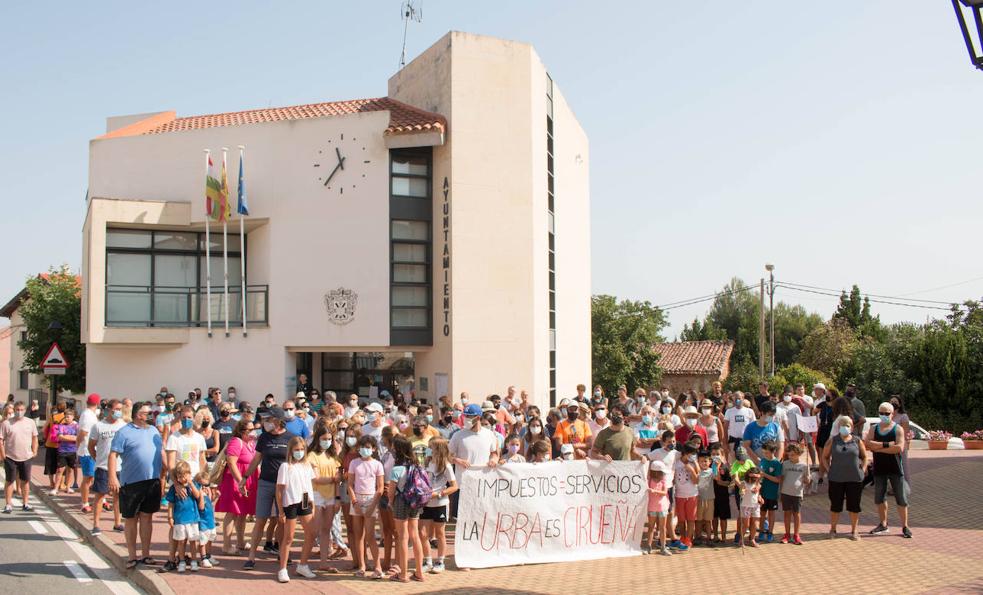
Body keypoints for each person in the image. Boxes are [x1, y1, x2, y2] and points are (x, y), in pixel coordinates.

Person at [110, 401, 165, 569]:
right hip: (131, 482)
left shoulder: (154, 430)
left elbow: (161, 453)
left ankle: (146, 554)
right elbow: (113, 455)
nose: (149, 415)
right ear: (137, 414)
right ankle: (132, 556)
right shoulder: (124, 432)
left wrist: (168, 473)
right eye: (146, 413)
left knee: (147, 518)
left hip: (152, 481)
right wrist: (112, 476)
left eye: (150, 413)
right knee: (131, 519)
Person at [241, 407, 296, 570]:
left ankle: (282, 553)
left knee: (282, 520)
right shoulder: (264, 437)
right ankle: (251, 556)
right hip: (265, 482)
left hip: (285, 485)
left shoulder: (291, 438)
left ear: (278, 421)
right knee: (260, 520)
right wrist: (245, 477)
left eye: (269, 420)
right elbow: (256, 459)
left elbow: (296, 461)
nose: (265, 423)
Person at [274, 437, 318, 582]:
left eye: (301, 449)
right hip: (290, 503)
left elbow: (309, 486)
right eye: (296, 450)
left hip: (305, 501)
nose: (299, 452)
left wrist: (313, 504)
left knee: (311, 533)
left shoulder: (307, 466)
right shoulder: (285, 467)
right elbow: (279, 491)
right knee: (289, 537)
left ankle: (303, 565)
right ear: (291, 451)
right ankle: (282, 568)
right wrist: (281, 511)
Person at [866, 402, 911, 538]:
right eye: (881, 413)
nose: (884, 415)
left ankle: (905, 527)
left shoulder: (898, 429)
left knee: (901, 499)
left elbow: (899, 448)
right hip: (879, 468)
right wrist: (887, 445)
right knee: (879, 498)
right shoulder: (874, 428)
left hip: (895, 468)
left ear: (893, 414)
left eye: (887, 413)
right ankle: (883, 524)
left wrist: (878, 447)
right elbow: (867, 444)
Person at [821, 415, 867, 540]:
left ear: (852, 427)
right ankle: (833, 529)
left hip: (854, 478)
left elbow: (864, 456)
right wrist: (828, 469)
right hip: (836, 478)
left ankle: (854, 531)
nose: (844, 427)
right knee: (835, 505)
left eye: (847, 425)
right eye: (842, 425)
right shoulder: (833, 440)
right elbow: (824, 456)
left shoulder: (857, 440)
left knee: (854, 506)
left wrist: (863, 469)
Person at [387, 434, 425, 583]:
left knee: (403, 537)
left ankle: (403, 574)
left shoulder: (397, 469)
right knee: (415, 536)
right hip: (415, 501)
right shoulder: (417, 466)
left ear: (397, 450)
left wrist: (390, 502)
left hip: (401, 502)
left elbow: (391, 492)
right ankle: (419, 572)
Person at [217, 418, 258, 554]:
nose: (253, 432)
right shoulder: (236, 441)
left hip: (248, 479)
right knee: (232, 512)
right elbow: (231, 462)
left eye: (254, 429)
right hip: (234, 480)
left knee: (243, 512)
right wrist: (240, 481)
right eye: (250, 430)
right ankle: (227, 545)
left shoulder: (251, 443)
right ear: (241, 431)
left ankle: (240, 542)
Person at [306, 422, 342, 572]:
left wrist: (338, 498)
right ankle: (303, 561)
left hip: (331, 496)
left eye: (329, 439)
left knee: (326, 529)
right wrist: (333, 479)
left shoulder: (333, 456)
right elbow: (316, 478)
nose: (327, 441)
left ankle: (323, 562)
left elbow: (338, 479)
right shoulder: (312, 455)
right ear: (318, 439)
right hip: (317, 495)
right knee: (313, 530)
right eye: (324, 438)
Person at [348, 435, 385, 579]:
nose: (365, 450)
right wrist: (354, 502)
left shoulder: (377, 464)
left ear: (374, 449)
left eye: (368, 447)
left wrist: (372, 505)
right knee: (358, 536)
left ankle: (378, 566)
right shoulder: (354, 463)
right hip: (357, 498)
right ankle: (362, 565)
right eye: (362, 447)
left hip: (371, 498)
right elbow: (350, 485)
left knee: (370, 536)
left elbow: (380, 487)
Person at [419, 437, 456, 573]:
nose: (428, 449)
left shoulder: (446, 466)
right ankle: (427, 560)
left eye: (431, 447)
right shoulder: (426, 462)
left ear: (438, 449)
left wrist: (439, 494)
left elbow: (454, 486)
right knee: (422, 533)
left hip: (440, 503)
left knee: (440, 533)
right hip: (425, 503)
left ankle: (440, 561)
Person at [88, 399, 126, 534]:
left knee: (118, 496)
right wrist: (97, 459)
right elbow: (91, 446)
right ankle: (96, 525)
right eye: (117, 409)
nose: (119, 412)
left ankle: (117, 523)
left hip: (120, 467)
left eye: (121, 409)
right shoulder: (98, 426)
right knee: (100, 495)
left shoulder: (123, 426)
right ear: (109, 410)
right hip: (103, 467)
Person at [0, 401, 38, 513]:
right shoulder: (7, 423)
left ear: (25, 411)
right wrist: (3, 455)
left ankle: (25, 503)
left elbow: (35, 437)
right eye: (17, 410)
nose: (19, 412)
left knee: (25, 481)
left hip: (26, 456)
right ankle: (8, 504)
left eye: (21, 410)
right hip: (10, 456)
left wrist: (34, 451)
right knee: (10, 480)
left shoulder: (30, 422)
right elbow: (1, 440)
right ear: (14, 410)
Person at [165, 461, 202, 573]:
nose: (183, 479)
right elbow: (171, 504)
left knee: (193, 541)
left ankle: (194, 561)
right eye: (180, 476)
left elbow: (198, 496)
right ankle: (181, 560)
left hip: (192, 519)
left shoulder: (193, 485)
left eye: (185, 475)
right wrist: (170, 517)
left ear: (189, 474)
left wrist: (190, 484)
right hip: (180, 519)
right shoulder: (174, 489)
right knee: (181, 541)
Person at [779, 442, 810, 545]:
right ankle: (787, 535)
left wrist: (807, 479)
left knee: (796, 514)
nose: (790, 457)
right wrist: (779, 492)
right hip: (785, 492)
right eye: (789, 455)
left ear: (798, 453)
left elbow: (807, 480)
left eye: (792, 454)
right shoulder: (785, 464)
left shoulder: (804, 465)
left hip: (797, 493)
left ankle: (796, 535)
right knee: (786, 513)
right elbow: (782, 478)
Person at [77, 394, 101, 513]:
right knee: (88, 477)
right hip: (86, 450)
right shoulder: (87, 415)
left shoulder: (90, 414)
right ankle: (84, 502)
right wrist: (78, 445)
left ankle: (100, 500)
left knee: (94, 476)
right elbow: (83, 432)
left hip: (91, 449)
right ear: (97, 403)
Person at [756, 441, 782, 543]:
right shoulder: (762, 461)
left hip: (772, 493)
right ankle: (761, 531)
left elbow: (778, 479)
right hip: (762, 493)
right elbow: (759, 475)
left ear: (773, 451)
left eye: (767, 453)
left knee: (771, 513)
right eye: (764, 452)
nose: (765, 455)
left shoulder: (777, 464)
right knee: (762, 514)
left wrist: (765, 475)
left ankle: (770, 532)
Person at [644, 460, 671, 556]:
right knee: (651, 527)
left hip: (662, 507)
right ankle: (648, 547)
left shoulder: (664, 481)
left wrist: (654, 491)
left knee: (662, 528)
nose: (663, 474)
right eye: (661, 472)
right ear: (656, 472)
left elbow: (664, 492)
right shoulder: (649, 480)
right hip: (652, 507)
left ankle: (663, 547)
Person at [51, 408, 79, 496]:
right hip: (62, 450)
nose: (67, 418)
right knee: (60, 470)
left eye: (69, 417)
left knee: (70, 470)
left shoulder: (76, 426)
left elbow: (78, 438)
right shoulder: (61, 426)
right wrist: (71, 438)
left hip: (72, 450)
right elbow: (60, 437)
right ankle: (56, 488)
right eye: (66, 417)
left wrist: (66, 437)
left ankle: (68, 487)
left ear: (73, 417)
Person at [195, 470, 219, 568]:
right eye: (201, 485)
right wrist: (201, 495)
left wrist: (216, 497)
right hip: (203, 523)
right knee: (202, 541)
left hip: (210, 522)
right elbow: (201, 508)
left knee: (210, 539)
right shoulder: (198, 496)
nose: (204, 487)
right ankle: (203, 558)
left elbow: (211, 506)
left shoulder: (206, 495)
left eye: (207, 485)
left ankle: (208, 555)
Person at [710, 443, 731, 543]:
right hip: (712, 496)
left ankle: (724, 536)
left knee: (723, 517)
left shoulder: (725, 467)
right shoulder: (709, 466)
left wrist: (721, 482)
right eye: (713, 454)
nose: (715, 456)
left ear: (722, 455)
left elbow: (729, 482)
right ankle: (715, 535)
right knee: (714, 517)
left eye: (717, 454)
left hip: (723, 496)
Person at [737, 467, 764, 547]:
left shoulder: (758, 484)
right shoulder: (743, 483)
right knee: (746, 525)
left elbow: (758, 494)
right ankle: (741, 540)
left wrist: (760, 498)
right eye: (753, 477)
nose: (755, 479)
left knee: (755, 524)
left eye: (756, 477)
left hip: (755, 506)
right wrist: (742, 492)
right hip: (745, 506)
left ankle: (752, 539)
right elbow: (741, 493)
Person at [43, 402, 67, 489]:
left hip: (50, 443)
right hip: (62, 444)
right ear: (65, 408)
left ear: (57, 407)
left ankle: (51, 482)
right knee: (62, 464)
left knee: (50, 464)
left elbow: (44, 428)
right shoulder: (66, 418)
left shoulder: (52, 417)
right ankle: (61, 483)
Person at [889, 395, 912, 485]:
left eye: (895, 402)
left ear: (899, 404)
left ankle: (905, 485)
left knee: (902, 466)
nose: (893, 404)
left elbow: (905, 432)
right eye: (891, 402)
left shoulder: (903, 416)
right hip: (890, 444)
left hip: (900, 445)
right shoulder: (888, 415)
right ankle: (893, 486)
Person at [695, 451, 715, 545]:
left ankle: (709, 538)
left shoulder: (711, 471)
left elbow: (717, 477)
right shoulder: (696, 471)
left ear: (710, 461)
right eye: (701, 461)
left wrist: (717, 465)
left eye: (706, 461)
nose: (704, 463)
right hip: (698, 499)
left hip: (709, 498)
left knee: (708, 520)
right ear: (698, 461)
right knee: (698, 520)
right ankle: (698, 537)